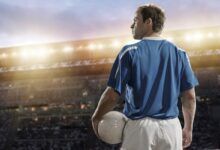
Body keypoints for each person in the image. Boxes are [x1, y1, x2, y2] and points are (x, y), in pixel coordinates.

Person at [91, 4, 199, 150]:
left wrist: (96, 117)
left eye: (135, 20)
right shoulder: (180, 53)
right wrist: (188, 128)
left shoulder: (130, 51)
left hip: (140, 128)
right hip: (172, 128)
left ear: (148, 22)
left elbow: (112, 96)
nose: (131, 25)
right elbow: (190, 97)